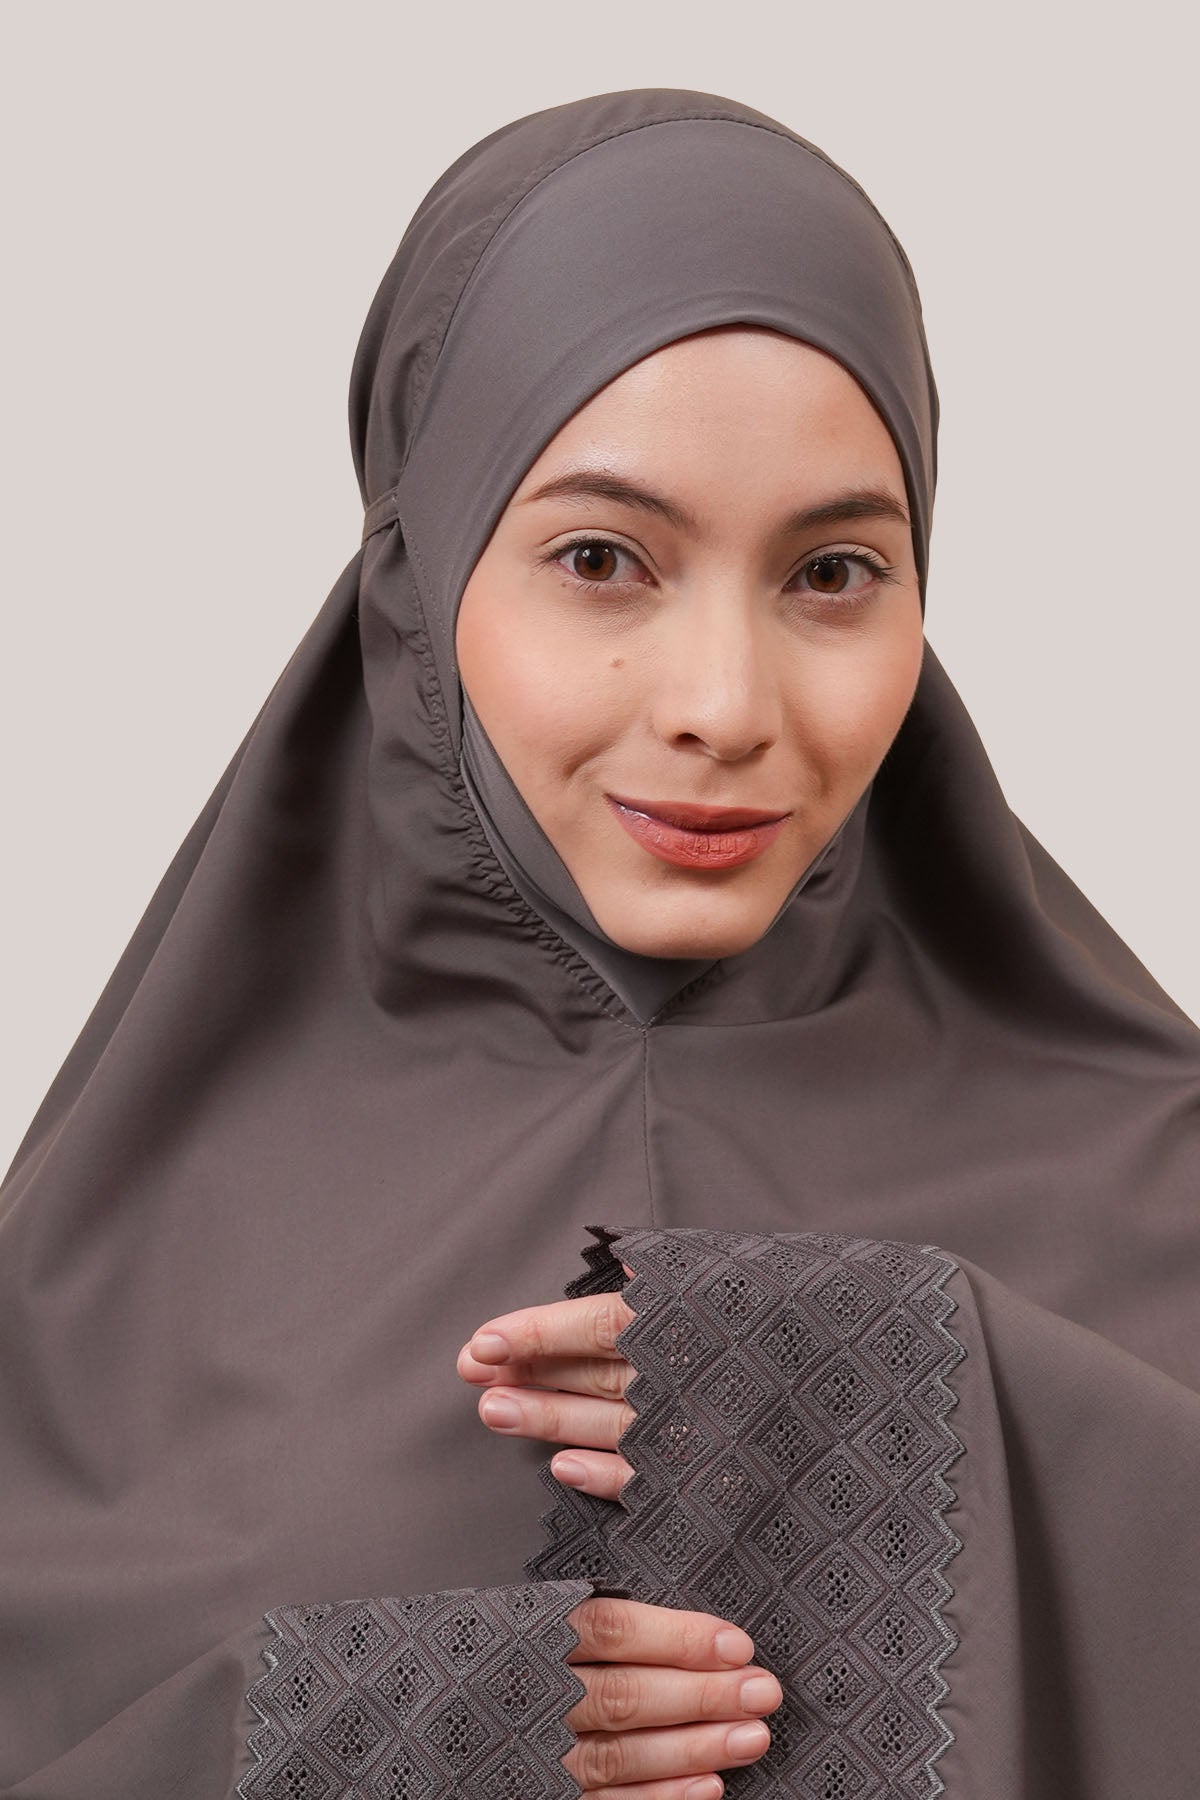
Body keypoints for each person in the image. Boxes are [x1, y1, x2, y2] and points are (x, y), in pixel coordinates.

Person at [0, 85, 1197, 1800]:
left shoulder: (1159, 1183)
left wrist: (964, 1401)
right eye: (601, 558)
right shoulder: (110, 1291)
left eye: (833, 573)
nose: (725, 703)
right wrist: (316, 1739)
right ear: (422, 577)